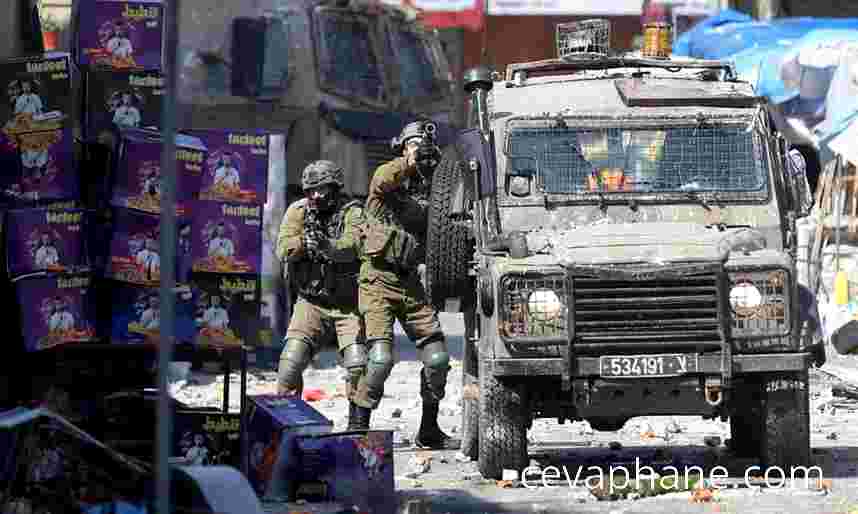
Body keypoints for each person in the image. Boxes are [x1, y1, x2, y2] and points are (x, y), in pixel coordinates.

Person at [353, 120, 455, 449]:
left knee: (438, 359)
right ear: (402, 148)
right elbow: (383, 180)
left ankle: (429, 429)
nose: (419, 151)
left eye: (422, 146)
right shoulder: (387, 177)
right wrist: (410, 162)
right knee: (380, 359)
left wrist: (437, 172)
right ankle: (357, 429)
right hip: (378, 280)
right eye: (412, 145)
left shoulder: (433, 188)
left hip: (411, 283)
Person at [276, 160, 369, 429]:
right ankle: (290, 425)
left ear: (335, 187)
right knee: (290, 364)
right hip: (311, 301)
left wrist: (328, 246)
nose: (315, 195)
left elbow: (352, 246)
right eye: (310, 190)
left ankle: (357, 429)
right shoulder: (298, 211)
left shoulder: (352, 212)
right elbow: (282, 248)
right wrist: (303, 244)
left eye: (322, 189)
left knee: (357, 365)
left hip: (348, 305)